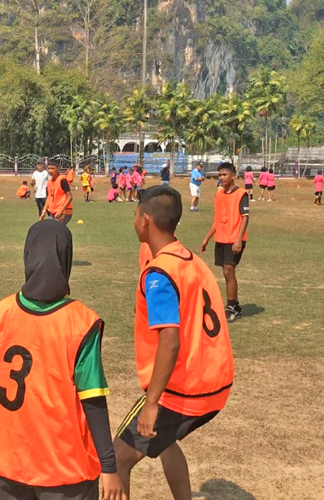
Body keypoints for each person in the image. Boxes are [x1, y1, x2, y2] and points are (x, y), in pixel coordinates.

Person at [0, 220, 126, 500]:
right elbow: (93, 400)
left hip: (4, 459)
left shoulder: (3, 310)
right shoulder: (82, 322)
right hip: (62, 467)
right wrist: (109, 466)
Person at [114, 185, 234, 500]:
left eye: (135, 213)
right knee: (165, 440)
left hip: (184, 391)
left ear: (146, 220)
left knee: (116, 459)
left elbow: (170, 342)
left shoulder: (159, 275)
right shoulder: (192, 261)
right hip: (215, 384)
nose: (134, 219)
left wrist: (152, 403)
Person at [200, 163, 249, 321]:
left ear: (233, 176)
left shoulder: (241, 193)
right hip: (221, 238)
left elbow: (245, 218)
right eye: (219, 175)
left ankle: (231, 307)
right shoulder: (219, 194)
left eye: (224, 175)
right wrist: (207, 238)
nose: (220, 178)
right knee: (225, 272)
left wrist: (238, 239)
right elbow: (217, 220)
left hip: (234, 239)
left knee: (229, 271)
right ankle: (235, 305)